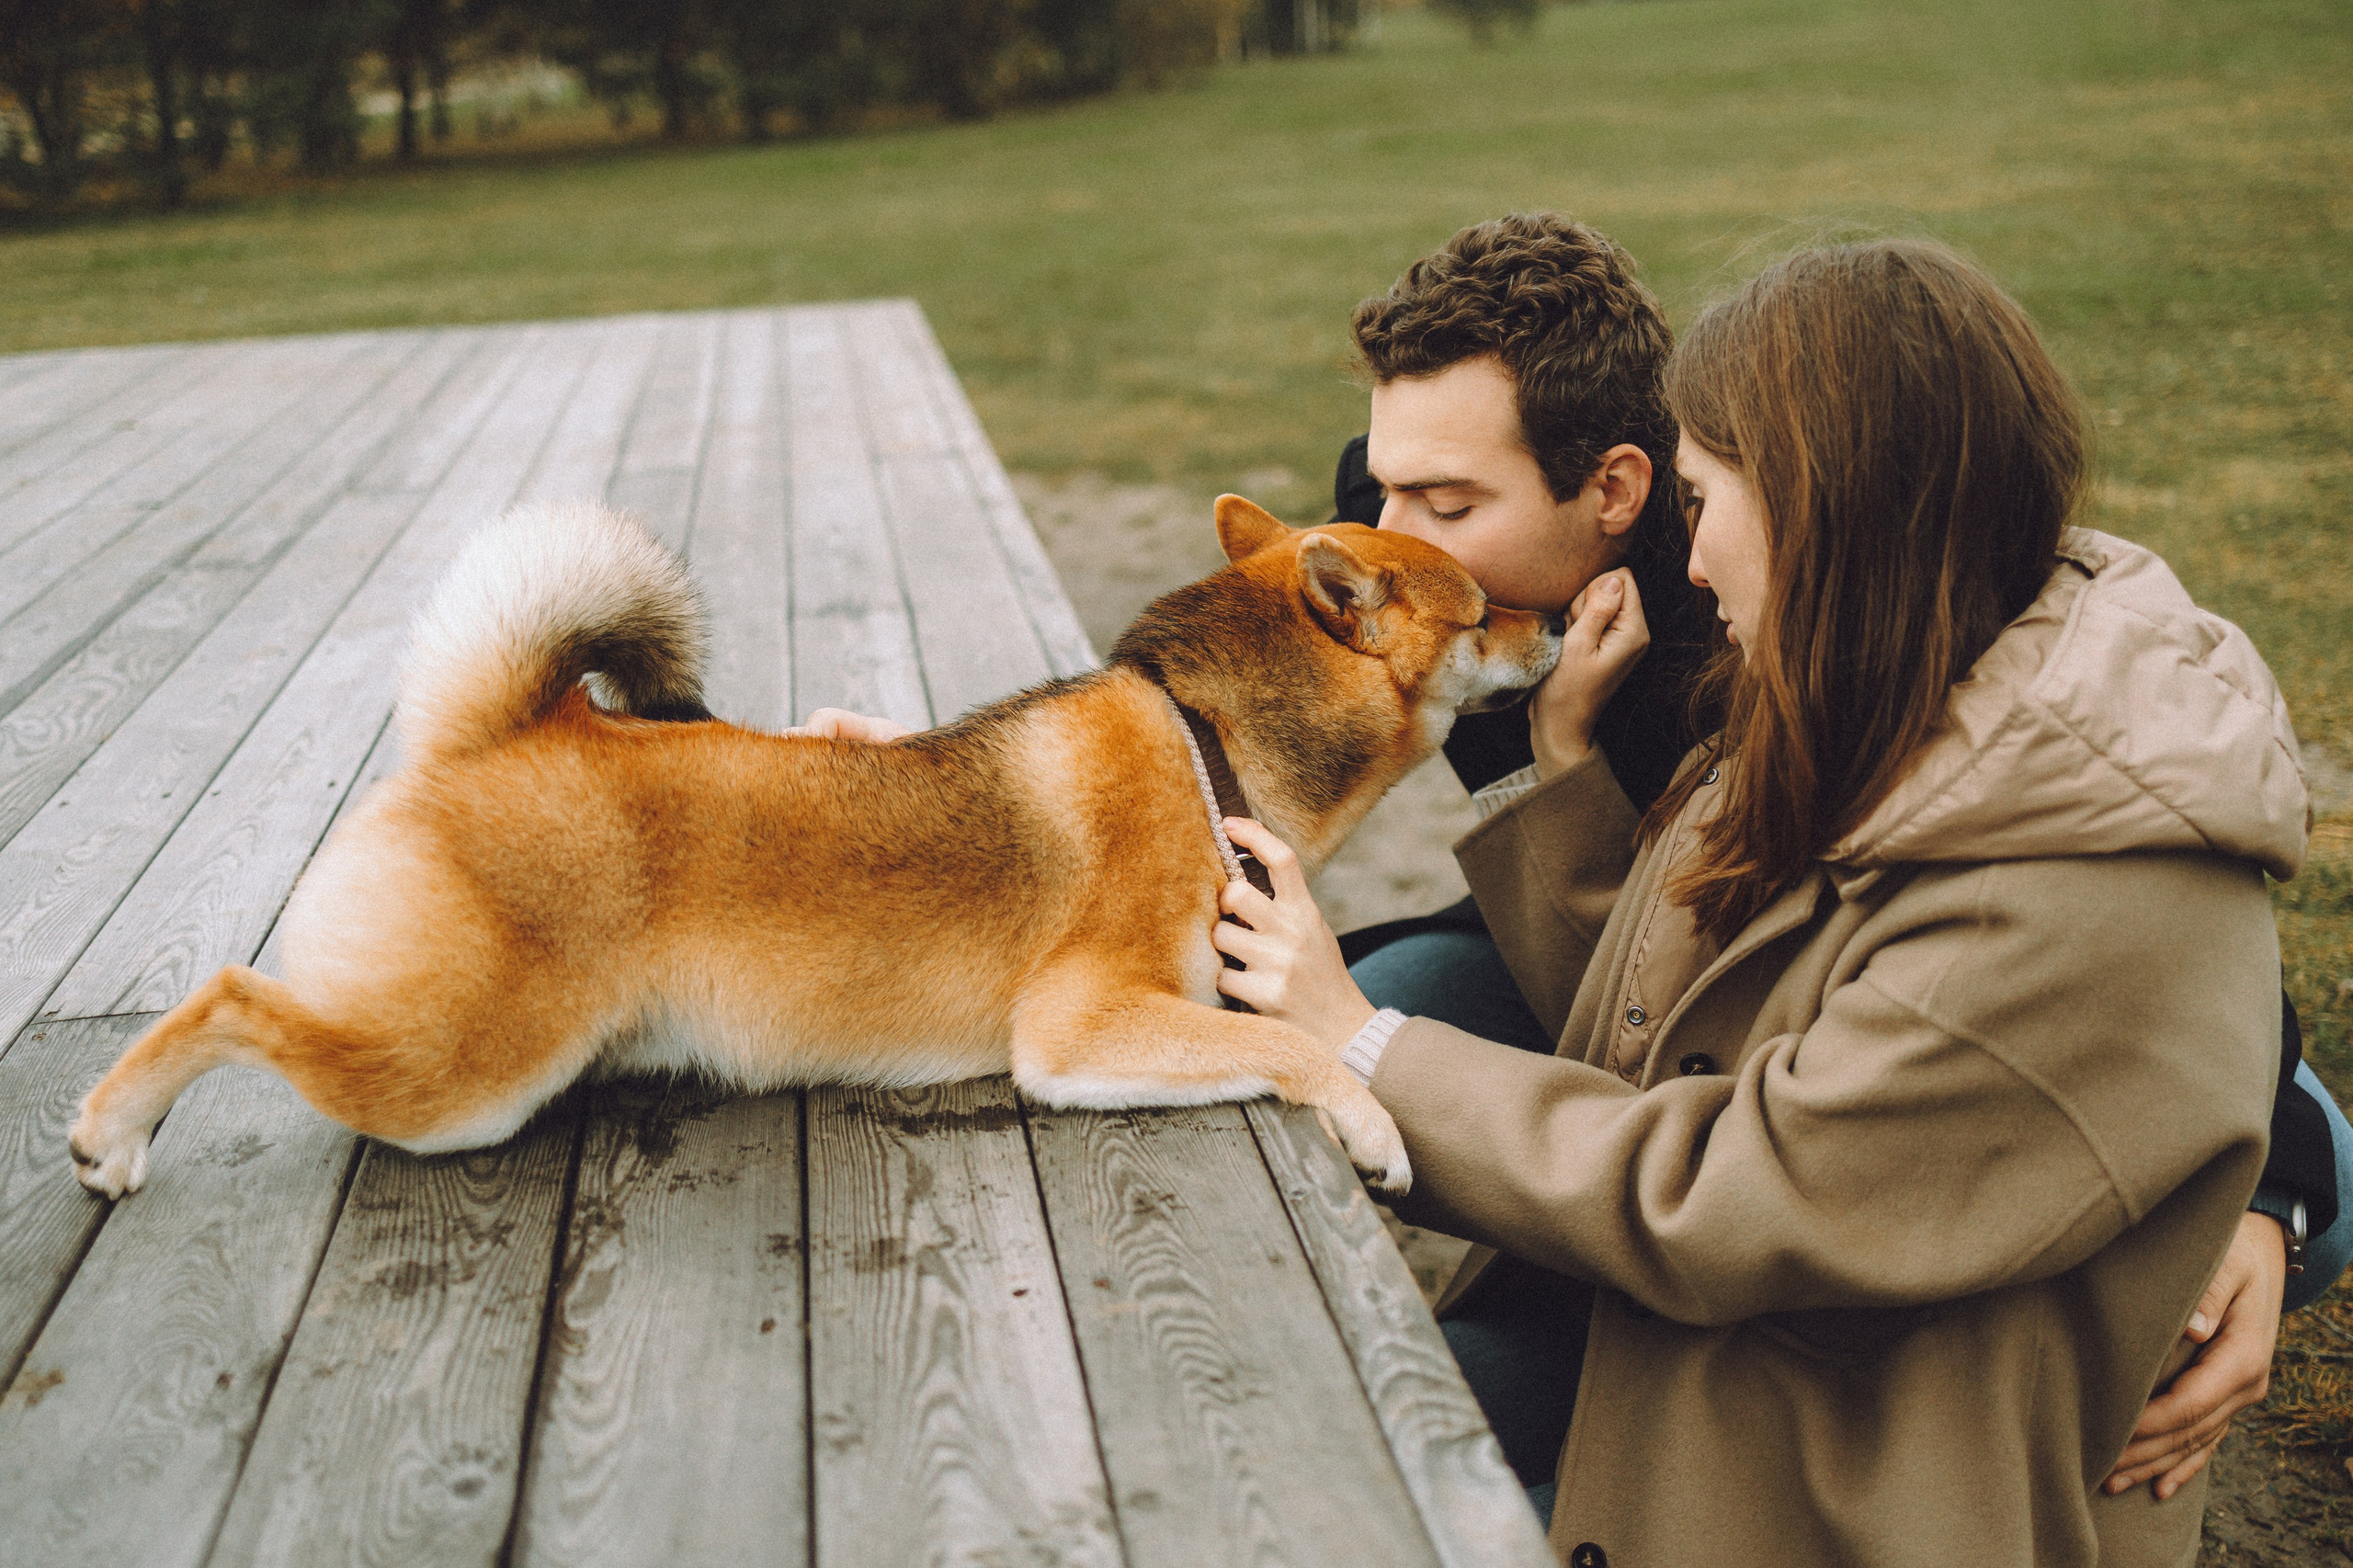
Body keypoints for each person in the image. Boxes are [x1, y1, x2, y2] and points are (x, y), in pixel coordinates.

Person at [1208, 237, 2317, 1564]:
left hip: (1838, 1445)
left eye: (1699, 499)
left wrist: (2275, 1205)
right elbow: (1649, 1002)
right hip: (1704, 1278)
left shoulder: (1798, 691)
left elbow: (1743, 1178)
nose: (1392, 538)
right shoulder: (1815, 657)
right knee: (1330, 1439)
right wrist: (1554, 766)